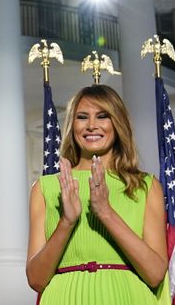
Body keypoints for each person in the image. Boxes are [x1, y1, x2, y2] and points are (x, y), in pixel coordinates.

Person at [26, 84, 170, 304]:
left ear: (118, 123)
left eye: (103, 116)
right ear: (72, 126)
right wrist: (66, 222)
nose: (91, 126)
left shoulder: (146, 186)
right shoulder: (45, 188)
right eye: (82, 117)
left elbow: (155, 274)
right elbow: (36, 279)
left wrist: (106, 213)